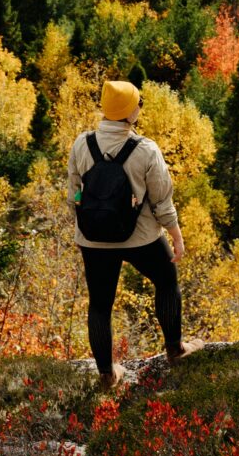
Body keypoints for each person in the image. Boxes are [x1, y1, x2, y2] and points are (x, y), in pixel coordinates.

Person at [67, 78, 204, 388]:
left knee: (100, 304)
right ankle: (175, 349)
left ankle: (106, 374)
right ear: (129, 113)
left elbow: (73, 194)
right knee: (166, 281)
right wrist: (176, 237)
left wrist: (90, 224)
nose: (140, 108)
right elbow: (161, 201)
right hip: (140, 237)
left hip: (93, 239)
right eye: (138, 104)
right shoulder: (145, 150)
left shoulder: (81, 144)